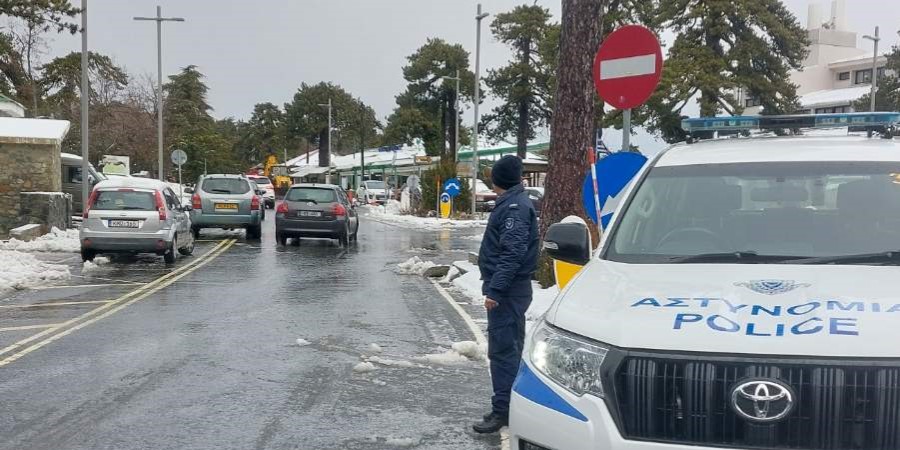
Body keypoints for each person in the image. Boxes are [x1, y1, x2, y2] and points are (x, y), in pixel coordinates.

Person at [473, 155, 539, 434]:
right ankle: (512, 405)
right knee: (509, 348)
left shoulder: (513, 207)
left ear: (497, 178)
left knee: (502, 351)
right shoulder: (514, 202)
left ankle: (503, 411)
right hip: (512, 290)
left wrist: (496, 290)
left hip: (509, 292)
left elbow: (512, 254)